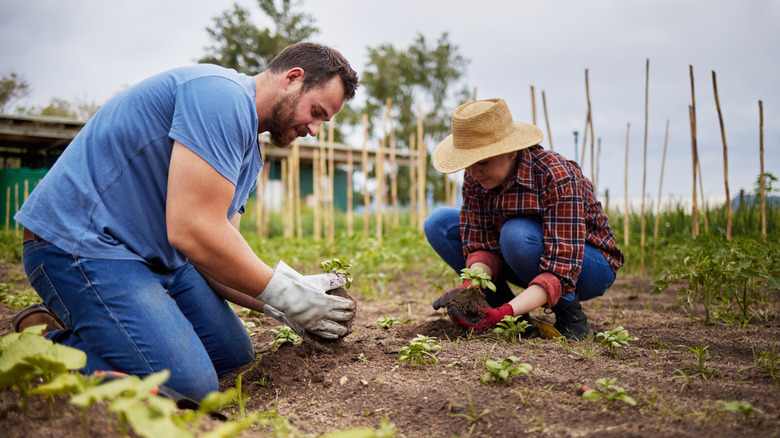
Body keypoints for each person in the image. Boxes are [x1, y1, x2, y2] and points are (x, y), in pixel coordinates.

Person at [11, 42, 359, 400]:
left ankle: (99, 329)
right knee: (187, 386)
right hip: (82, 245)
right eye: (316, 112)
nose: (314, 129)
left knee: (232, 355)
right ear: (293, 78)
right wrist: (287, 296)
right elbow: (193, 230)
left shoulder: (250, 155)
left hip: (153, 256)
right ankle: (40, 346)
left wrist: (290, 298)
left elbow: (217, 255)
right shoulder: (220, 98)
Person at [424, 98, 624, 340]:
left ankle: (571, 317)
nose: (474, 172)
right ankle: (505, 311)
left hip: (586, 266)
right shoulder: (476, 178)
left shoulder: (555, 174)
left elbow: (561, 267)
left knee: (515, 233)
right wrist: (472, 287)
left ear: (509, 152)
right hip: (525, 256)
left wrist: (502, 314)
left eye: (483, 161)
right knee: (439, 223)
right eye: (468, 164)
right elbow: (481, 245)